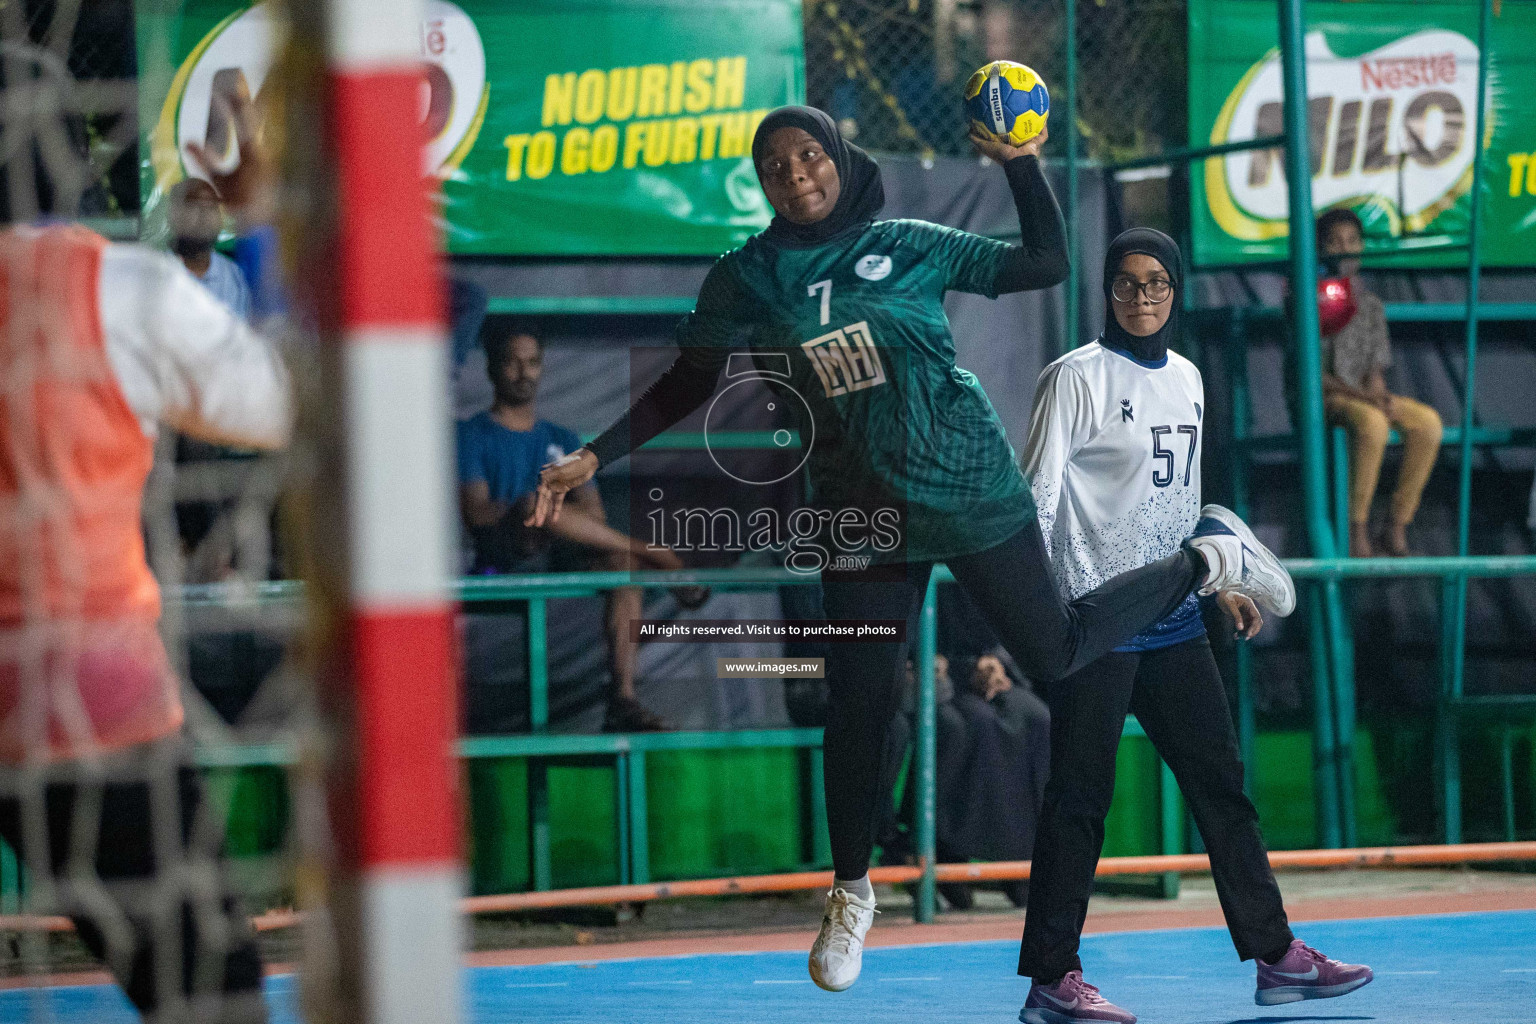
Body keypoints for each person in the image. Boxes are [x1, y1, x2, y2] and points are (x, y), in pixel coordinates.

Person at [526, 105, 1294, 992]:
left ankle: (1205, 559)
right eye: (773, 163)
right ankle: (852, 892)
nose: (795, 171)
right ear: (760, 181)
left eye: (809, 152)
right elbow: (684, 385)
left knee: (1058, 653)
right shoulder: (745, 277)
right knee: (859, 696)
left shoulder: (909, 241)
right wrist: (592, 452)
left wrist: (1021, 163)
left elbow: (1043, 261)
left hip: (969, 487)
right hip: (862, 514)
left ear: (840, 158)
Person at [1016, 228, 1371, 1024]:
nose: (1140, 298)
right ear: (1105, 291)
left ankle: (1277, 957)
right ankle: (1051, 980)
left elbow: (1179, 505)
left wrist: (1215, 588)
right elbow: (1035, 506)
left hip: (1175, 621)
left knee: (1224, 790)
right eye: (1125, 284)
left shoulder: (1189, 378)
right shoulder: (1073, 378)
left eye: (1156, 284)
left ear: (1175, 292)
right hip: (1095, 625)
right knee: (1078, 801)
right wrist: (1047, 623)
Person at [0, 94, 286, 1022]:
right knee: (211, 999)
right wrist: (267, 220)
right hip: (83, 701)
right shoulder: (124, 287)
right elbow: (291, 406)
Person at [457, 326, 704, 732]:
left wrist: (555, 520)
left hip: (557, 554)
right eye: (512, 361)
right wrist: (533, 511)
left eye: (532, 362)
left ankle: (623, 700)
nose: (523, 372)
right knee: (536, 502)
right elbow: (478, 514)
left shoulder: (562, 438)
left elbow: (594, 516)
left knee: (622, 565)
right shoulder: (470, 434)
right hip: (504, 558)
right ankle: (656, 552)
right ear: (492, 368)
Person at [1315, 208, 1443, 557]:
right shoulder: (1306, 298)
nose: (1345, 249)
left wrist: (1380, 394)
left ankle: (1396, 524)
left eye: (1352, 241)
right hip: (1325, 399)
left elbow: (1375, 369)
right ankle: (1357, 528)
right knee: (1373, 424)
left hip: (1362, 396)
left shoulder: (1369, 303)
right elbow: (1314, 376)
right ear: (1320, 248)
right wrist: (1367, 399)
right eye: (1335, 242)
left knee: (1427, 422)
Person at [167, 177, 253, 321]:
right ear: (174, 215)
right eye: (194, 206)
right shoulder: (157, 271)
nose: (204, 216)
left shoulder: (233, 276)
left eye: (212, 207)